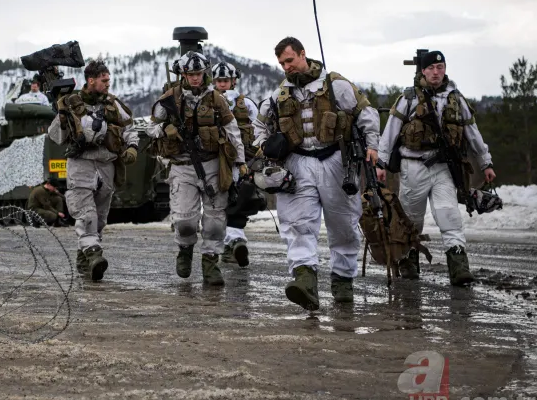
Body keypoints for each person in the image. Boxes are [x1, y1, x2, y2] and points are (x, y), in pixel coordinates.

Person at [253, 37, 380, 309]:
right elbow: (259, 125)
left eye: (290, 60)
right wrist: (265, 145)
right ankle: (305, 280)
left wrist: (372, 146)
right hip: (297, 163)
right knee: (297, 223)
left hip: (336, 159)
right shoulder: (280, 95)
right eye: (282, 63)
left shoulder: (335, 85)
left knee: (344, 224)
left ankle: (343, 280)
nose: (286, 67)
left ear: (303, 54)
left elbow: (366, 112)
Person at [377, 50, 496, 286]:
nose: (435, 72)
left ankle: (459, 266)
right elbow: (390, 132)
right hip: (413, 166)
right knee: (411, 218)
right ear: (423, 71)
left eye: (439, 68)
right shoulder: (409, 98)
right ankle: (408, 261)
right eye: (431, 68)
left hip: (443, 168)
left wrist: (486, 163)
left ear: (444, 69)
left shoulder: (456, 99)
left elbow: (472, 132)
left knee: (449, 214)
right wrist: (380, 163)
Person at [146, 51, 246, 286]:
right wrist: (164, 130)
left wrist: (240, 162)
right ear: (183, 74)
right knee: (185, 221)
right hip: (182, 165)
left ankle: (210, 262)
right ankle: (185, 249)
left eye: (199, 73)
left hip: (212, 164)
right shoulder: (169, 99)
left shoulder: (216, 99)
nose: (195, 78)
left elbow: (232, 131)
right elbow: (150, 128)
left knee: (215, 220)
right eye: (191, 74)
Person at [48, 60, 138, 280]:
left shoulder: (112, 104)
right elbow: (55, 136)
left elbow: (129, 127)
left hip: (106, 164)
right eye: (103, 80)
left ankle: (84, 256)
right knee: (86, 214)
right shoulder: (71, 104)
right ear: (91, 80)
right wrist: (62, 116)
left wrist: (133, 147)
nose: (108, 83)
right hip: (82, 163)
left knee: (100, 218)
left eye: (108, 80)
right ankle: (95, 254)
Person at [211, 61, 263, 266]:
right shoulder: (208, 103)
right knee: (225, 201)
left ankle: (232, 241)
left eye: (225, 80)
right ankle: (233, 242)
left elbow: (258, 128)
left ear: (233, 81)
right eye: (219, 80)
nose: (222, 84)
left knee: (233, 200)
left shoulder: (246, 104)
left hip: (238, 161)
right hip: (220, 161)